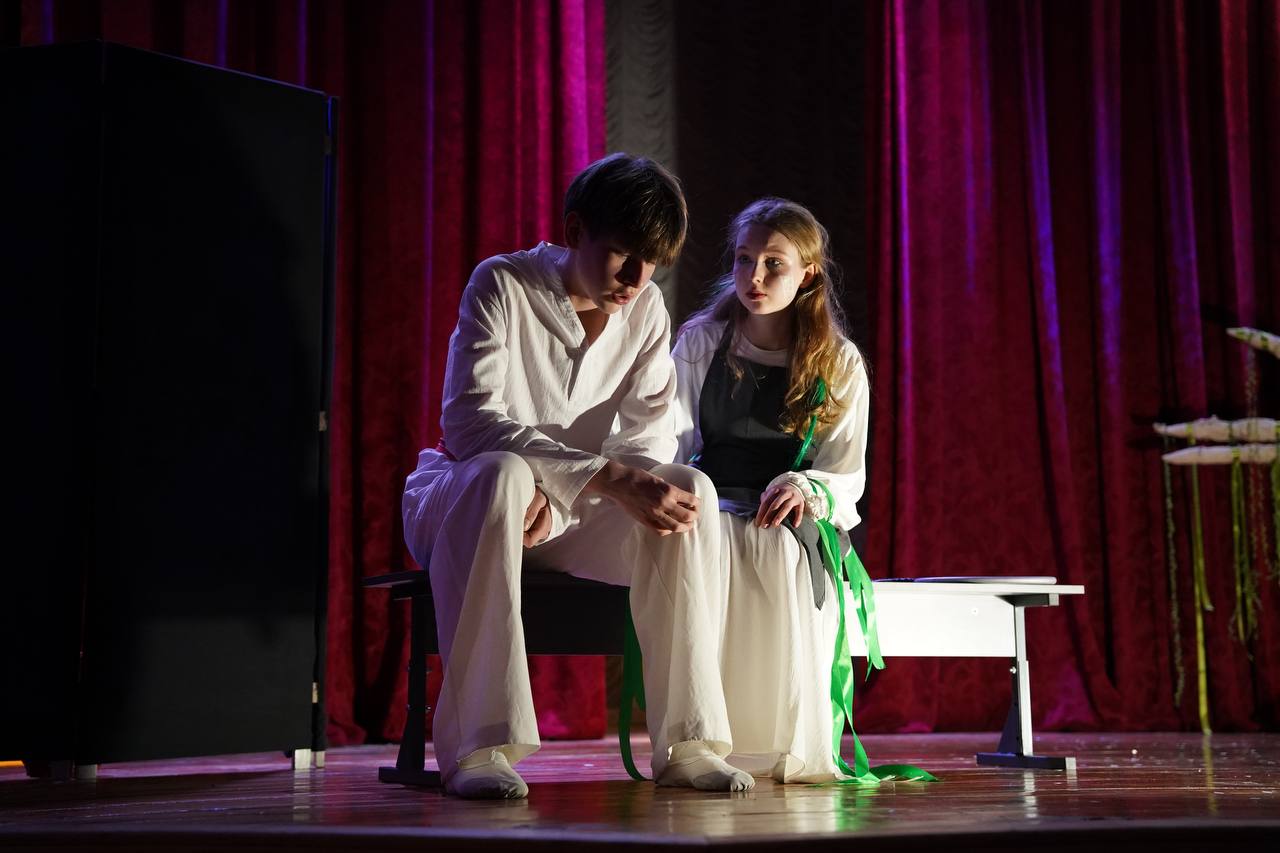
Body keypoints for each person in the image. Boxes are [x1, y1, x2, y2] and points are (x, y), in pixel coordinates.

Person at [402, 154, 755, 799]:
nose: (636, 279)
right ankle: (480, 748)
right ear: (574, 230)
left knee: (690, 489)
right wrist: (599, 478)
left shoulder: (645, 308)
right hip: (472, 506)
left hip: (563, 517)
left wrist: (566, 500)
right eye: (623, 254)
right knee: (503, 474)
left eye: (652, 263)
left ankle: (690, 743)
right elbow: (471, 423)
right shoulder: (502, 284)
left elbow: (647, 438)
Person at [671, 197, 874, 783]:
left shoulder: (837, 361)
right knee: (706, 542)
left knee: (778, 548)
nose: (753, 277)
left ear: (807, 274)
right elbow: (671, 441)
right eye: (744, 259)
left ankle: (778, 740)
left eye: (773, 264)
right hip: (712, 498)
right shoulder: (702, 342)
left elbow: (845, 471)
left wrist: (806, 486)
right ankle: (704, 739)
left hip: (788, 509)